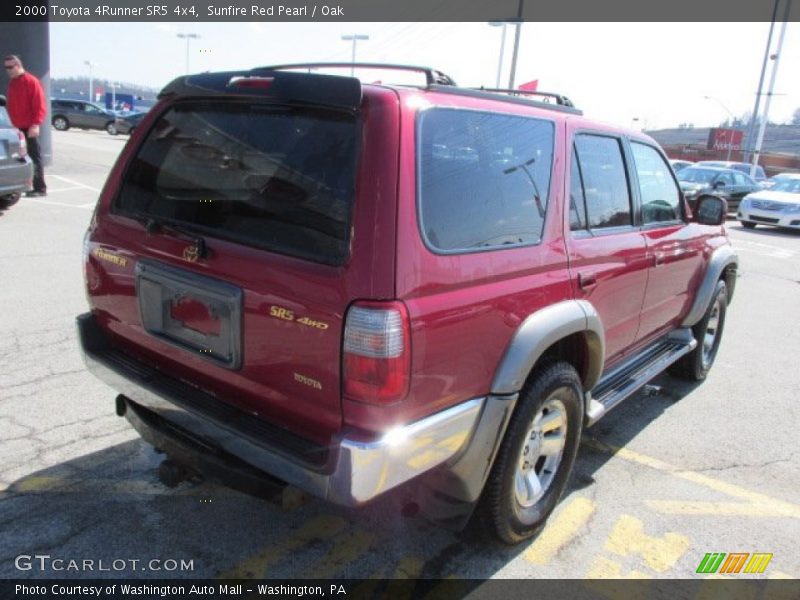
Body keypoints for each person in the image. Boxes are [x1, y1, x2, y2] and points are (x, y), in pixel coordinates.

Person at [4, 54, 47, 196]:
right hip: (16, 128)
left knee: (34, 157)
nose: (8, 70)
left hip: (29, 127)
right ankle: (19, 186)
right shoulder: (13, 83)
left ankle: (40, 188)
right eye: (6, 68)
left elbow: (40, 105)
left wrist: (35, 125)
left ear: (18, 65)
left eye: (10, 67)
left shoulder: (31, 81)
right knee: (18, 158)